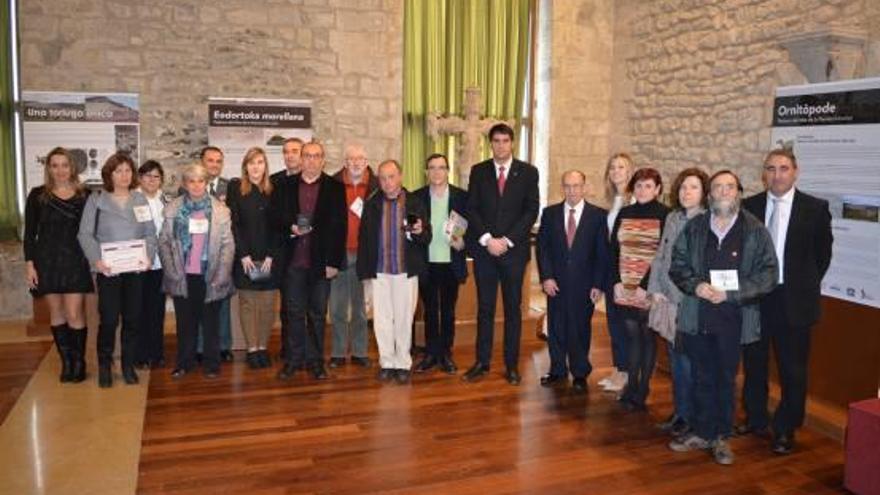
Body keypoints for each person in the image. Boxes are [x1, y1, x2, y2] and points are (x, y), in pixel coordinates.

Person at [668, 170, 778, 465]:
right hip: (698, 315)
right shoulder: (695, 228)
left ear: (738, 192)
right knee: (702, 376)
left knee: (725, 380)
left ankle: (721, 437)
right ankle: (703, 432)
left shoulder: (754, 230)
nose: (724, 192)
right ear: (710, 194)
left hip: (734, 318)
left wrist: (732, 294)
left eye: (730, 187)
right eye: (718, 187)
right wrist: (697, 286)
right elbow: (677, 265)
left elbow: (769, 275)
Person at [739, 149, 833, 455]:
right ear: (763, 173)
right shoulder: (749, 206)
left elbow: (822, 256)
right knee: (754, 363)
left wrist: (800, 285)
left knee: (793, 369)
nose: (777, 174)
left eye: (783, 168)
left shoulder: (815, 209)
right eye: (771, 168)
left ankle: (785, 428)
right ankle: (755, 418)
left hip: (794, 301)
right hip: (756, 298)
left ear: (795, 171)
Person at [463, 123, 539, 386]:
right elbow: (471, 208)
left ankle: (511, 365)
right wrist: (487, 239)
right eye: (496, 141)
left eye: (505, 141)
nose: (501, 145)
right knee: (484, 309)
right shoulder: (479, 171)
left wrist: (506, 241)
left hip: (513, 253)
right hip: (485, 253)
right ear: (490, 143)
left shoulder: (528, 173)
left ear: (512, 143)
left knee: (513, 310)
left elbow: (531, 211)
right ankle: (482, 362)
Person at [78, 153, 158, 387]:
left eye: (127, 171)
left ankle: (127, 365)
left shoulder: (139, 199)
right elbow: (84, 234)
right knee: (110, 319)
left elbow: (150, 233)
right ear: (109, 174)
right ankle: (105, 364)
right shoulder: (96, 200)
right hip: (108, 270)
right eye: (118, 171)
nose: (124, 175)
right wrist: (96, 261)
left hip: (135, 270)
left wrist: (148, 258)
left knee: (133, 318)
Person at [273, 141, 347, 381]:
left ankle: (315, 361)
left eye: (317, 156)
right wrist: (289, 226)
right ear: (301, 159)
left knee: (317, 314)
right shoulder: (284, 185)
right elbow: (275, 219)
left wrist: (334, 262)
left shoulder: (334, 188)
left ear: (323, 160)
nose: (312, 160)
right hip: (293, 262)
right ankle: (294, 360)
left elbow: (340, 228)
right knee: (293, 313)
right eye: (307, 156)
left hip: (320, 263)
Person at [647, 167, 709, 436]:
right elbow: (661, 255)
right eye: (683, 187)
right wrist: (654, 288)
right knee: (675, 360)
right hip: (668, 300)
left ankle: (692, 416)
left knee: (689, 362)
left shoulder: (707, 222)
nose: (687, 192)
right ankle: (681, 411)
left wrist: (686, 296)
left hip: (690, 304)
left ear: (704, 192)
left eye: (693, 187)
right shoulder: (673, 218)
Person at [357, 159, 430, 384]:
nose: (387, 182)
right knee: (382, 320)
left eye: (391, 176)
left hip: (405, 271)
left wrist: (418, 232)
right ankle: (387, 362)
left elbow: (427, 236)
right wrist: (364, 273)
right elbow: (364, 240)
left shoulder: (415, 202)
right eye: (383, 178)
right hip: (380, 271)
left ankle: (403, 363)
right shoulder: (371, 204)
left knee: (404, 318)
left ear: (400, 176)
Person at [24, 147, 94, 383]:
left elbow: (93, 231)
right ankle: (67, 363)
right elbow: (30, 233)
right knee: (57, 312)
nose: (60, 170)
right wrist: (30, 264)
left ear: (72, 167)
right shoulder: (37, 196)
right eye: (55, 165)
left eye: (65, 165)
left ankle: (79, 361)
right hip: (47, 262)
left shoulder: (85, 195)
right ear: (48, 168)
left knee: (74, 312)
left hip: (76, 259)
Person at [159, 163, 235, 379]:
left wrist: (222, 274)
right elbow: (163, 242)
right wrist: (172, 271)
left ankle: (212, 365)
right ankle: (185, 363)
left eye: (200, 180)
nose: (196, 185)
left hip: (210, 275)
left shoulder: (221, 210)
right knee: (185, 323)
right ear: (185, 183)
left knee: (210, 323)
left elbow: (228, 245)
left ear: (206, 183)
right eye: (191, 181)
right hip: (183, 275)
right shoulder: (173, 209)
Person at [536, 170, 607, 392]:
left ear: (584, 187)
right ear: (562, 188)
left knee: (579, 328)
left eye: (576, 186)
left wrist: (598, 284)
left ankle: (579, 373)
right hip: (555, 283)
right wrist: (546, 277)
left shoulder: (597, 216)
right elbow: (542, 249)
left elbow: (601, 253)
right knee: (556, 327)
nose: (572, 190)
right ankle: (557, 370)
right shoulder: (550, 214)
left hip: (584, 285)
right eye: (567, 186)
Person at [609, 167, 669, 411]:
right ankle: (631, 385)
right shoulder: (625, 212)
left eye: (648, 186)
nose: (642, 190)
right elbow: (613, 250)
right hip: (625, 286)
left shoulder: (666, 215)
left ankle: (642, 389)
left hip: (648, 287)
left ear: (658, 189)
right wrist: (616, 282)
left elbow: (665, 256)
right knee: (631, 338)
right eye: (639, 186)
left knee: (647, 338)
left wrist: (647, 287)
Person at [413, 153, 469, 375]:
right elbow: (410, 229)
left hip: (450, 263)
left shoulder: (461, 197)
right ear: (426, 172)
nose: (437, 172)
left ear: (448, 171)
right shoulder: (416, 197)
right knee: (429, 311)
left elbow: (469, 229)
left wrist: (462, 242)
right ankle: (430, 354)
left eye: (441, 167)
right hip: (426, 263)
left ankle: (445, 353)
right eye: (432, 168)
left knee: (447, 310)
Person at [227, 147, 282, 369]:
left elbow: (278, 226)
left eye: (260, 162)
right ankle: (252, 349)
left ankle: (262, 347)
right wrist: (243, 254)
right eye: (251, 163)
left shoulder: (274, 190)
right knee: (248, 303)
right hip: (245, 258)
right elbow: (235, 224)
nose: (256, 167)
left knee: (268, 305)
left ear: (265, 166)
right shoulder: (236, 188)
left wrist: (271, 255)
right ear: (245, 166)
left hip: (269, 257)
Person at [329, 143, 378, 369]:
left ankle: (359, 352)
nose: (356, 163)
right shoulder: (333, 184)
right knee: (338, 307)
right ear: (345, 162)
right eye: (351, 159)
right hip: (339, 253)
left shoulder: (377, 186)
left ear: (366, 161)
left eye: (360, 159)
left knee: (360, 307)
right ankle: (338, 353)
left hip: (365, 254)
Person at [186, 146, 235, 363]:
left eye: (218, 161)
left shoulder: (231, 187)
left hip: (222, 255)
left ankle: (223, 346)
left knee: (221, 301)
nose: (214, 164)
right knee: (197, 302)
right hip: (196, 256)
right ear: (202, 162)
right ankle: (198, 347)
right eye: (210, 160)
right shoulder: (188, 188)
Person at [598, 152, 635, 393]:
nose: (616, 172)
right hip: (611, 271)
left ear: (630, 171)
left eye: (621, 167)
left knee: (627, 324)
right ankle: (618, 368)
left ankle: (628, 372)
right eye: (612, 168)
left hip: (629, 273)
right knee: (614, 323)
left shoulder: (634, 202)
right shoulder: (612, 202)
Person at [270, 137, 305, 360]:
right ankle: (288, 350)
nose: (290, 155)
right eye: (286, 152)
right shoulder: (274, 181)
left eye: (294, 151)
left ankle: (306, 350)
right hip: (284, 252)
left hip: (309, 251)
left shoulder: (314, 181)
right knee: (287, 307)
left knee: (307, 306)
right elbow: (272, 217)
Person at [136, 160, 169, 369]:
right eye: (147, 175)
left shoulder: (165, 201)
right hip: (138, 264)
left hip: (160, 265)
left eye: (156, 176)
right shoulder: (132, 200)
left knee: (157, 311)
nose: (151, 180)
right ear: (140, 179)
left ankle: (156, 354)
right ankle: (140, 355)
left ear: (161, 180)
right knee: (139, 311)